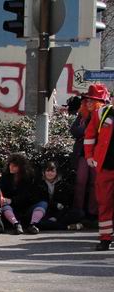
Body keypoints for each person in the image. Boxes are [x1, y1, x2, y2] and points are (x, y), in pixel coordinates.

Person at [83, 83, 114, 251]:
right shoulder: (102, 113)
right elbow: (89, 136)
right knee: (104, 203)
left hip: (105, 166)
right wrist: (90, 158)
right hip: (105, 167)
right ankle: (105, 238)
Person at [71, 84, 108, 221]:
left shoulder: (104, 116)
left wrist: (87, 133)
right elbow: (74, 130)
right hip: (83, 154)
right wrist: (88, 132)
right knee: (80, 181)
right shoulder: (82, 115)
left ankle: (92, 212)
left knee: (94, 183)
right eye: (87, 100)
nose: (89, 102)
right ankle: (78, 211)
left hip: (98, 154)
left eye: (92, 100)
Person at [30, 161, 84, 231]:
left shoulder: (63, 184)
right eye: (47, 171)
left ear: (56, 172)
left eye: (52, 171)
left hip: (59, 213)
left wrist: (56, 217)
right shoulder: (39, 184)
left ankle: (53, 224)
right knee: (38, 222)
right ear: (44, 172)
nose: (50, 173)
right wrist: (54, 204)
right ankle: (68, 227)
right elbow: (39, 201)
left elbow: (65, 204)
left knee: (79, 213)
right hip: (44, 212)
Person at [0, 153, 36, 234]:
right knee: (5, 206)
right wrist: (3, 199)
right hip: (9, 208)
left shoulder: (28, 178)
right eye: (10, 165)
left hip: (24, 207)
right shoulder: (5, 176)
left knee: (41, 204)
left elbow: (28, 196)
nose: (10, 167)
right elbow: (0, 190)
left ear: (21, 167)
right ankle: (16, 224)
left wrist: (12, 200)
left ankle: (32, 225)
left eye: (14, 166)